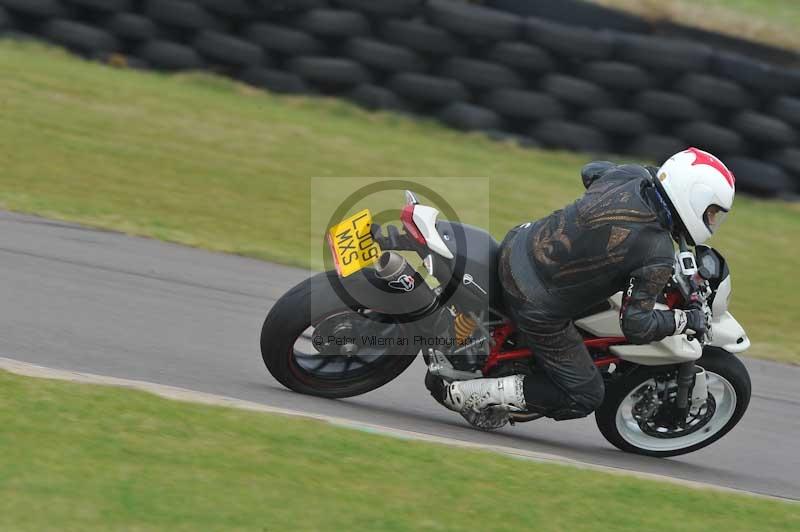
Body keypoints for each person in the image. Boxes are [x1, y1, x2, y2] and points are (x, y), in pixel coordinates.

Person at [440, 147, 736, 429]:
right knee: (586, 395)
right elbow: (636, 325)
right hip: (534, 303)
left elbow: (591, 170)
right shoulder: (655, 254)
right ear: (693, 197)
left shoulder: (631, 176)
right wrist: (687, 319)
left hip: (517, 244)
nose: (711, 221)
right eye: (711, 212)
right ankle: (468, 395)